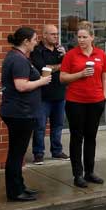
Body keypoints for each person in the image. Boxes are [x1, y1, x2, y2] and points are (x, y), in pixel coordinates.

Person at [1, 27, 52, 202]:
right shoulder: (18, 60)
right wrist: (42, 81)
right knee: (16, 153)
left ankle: (20, 186)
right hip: (19, 113)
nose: (36, 42)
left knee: (18, 153)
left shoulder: (18, 57)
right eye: (34, 39)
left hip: (20, 112)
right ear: (25, 41)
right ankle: (15, 192)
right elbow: (21, 86)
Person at [60, 22, 106, 188]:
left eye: (84, 37)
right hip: (75, 102)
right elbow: (62, 78)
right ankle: (77, 174)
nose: (81, 40)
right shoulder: (71, 55)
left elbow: (105, 76)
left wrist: (104, 96)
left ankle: (90, 172)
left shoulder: (101, 54)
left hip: (95, 102)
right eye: (79, 37)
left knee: (91, 138)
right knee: (76, 138)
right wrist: (80, 74)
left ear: (92, 37)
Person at [30, 24, 69, 164]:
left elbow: (69, 66)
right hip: (42, 95)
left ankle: (57, 151)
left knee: (58, 125)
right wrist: (59, 66)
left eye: (57, 34)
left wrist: (65, 56)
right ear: (44, 35)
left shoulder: (60, 50)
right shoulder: (37, 50)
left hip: (59, 93)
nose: (56, 36)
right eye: (53, 34)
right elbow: (42, 69)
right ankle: (38, 154)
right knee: (40, 126)